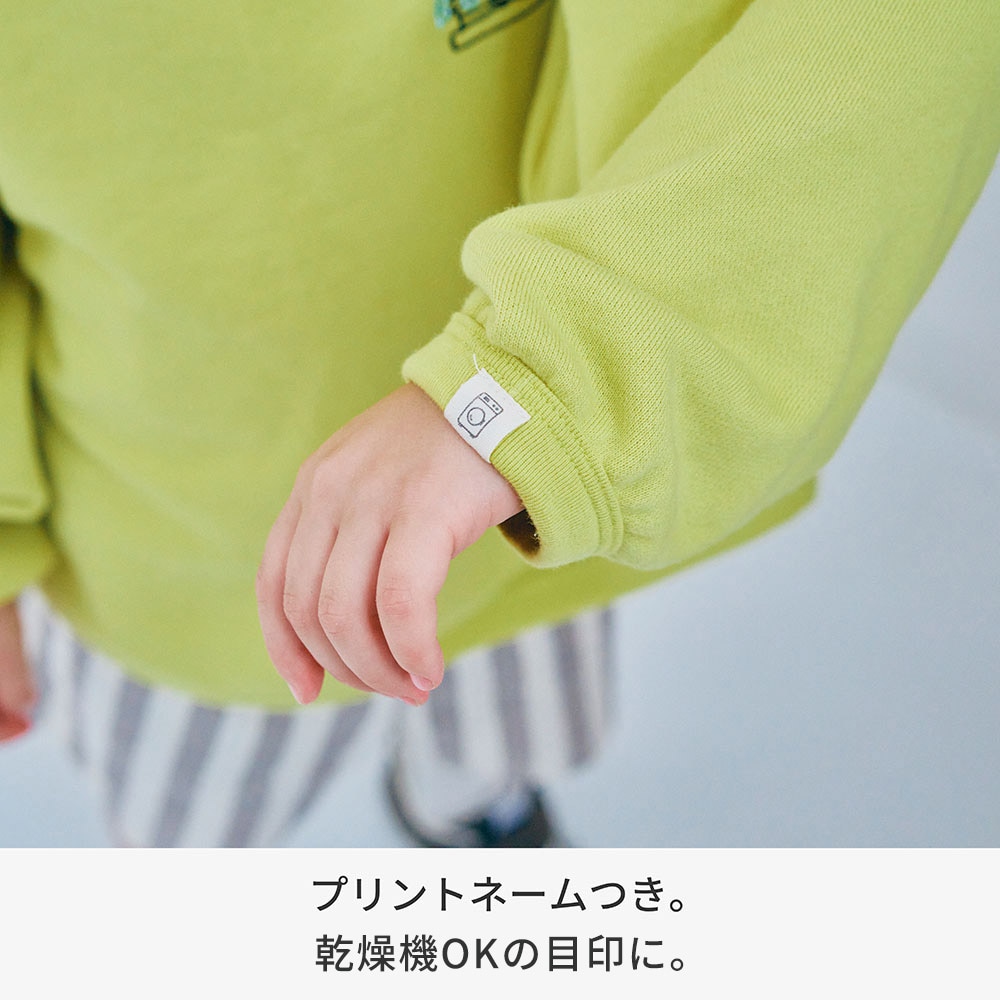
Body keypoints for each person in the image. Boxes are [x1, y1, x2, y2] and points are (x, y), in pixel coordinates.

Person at [1, 1, 997, 847]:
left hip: (518, 503)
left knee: (505, 731)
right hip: (190, 549)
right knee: (190, 820)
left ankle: (470, 806)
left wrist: (529, 386)